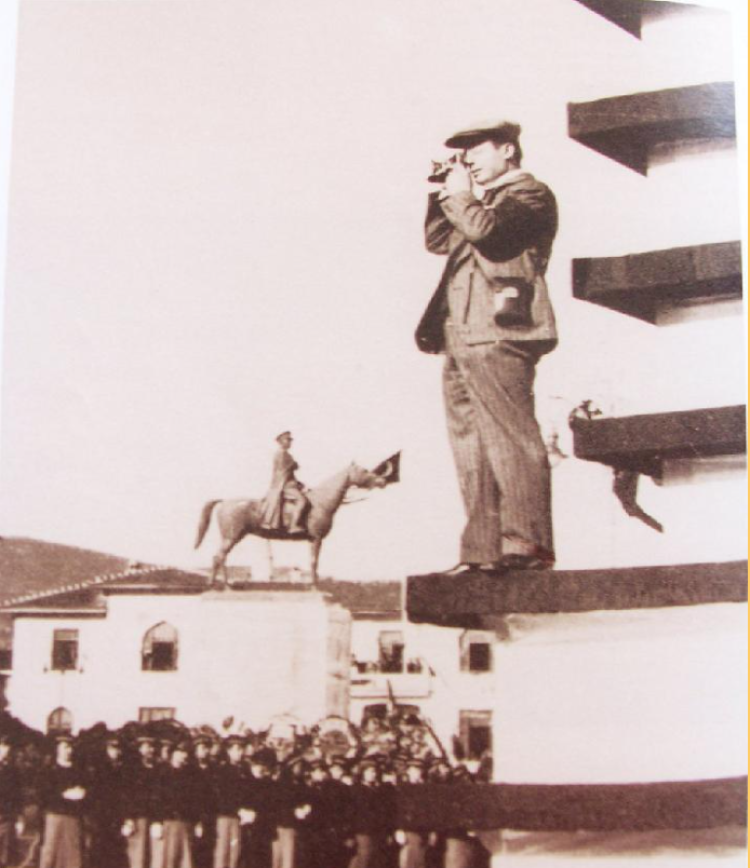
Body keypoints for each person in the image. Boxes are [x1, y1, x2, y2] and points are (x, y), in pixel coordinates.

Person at [416, 120, 558, 575]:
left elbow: (488, 234)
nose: (469, 161)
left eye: (476, 151)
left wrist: (461, 194)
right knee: (472, 446)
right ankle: (482, 552)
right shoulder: (479, 203)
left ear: (509, 150)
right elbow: (439, 241)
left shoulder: (529, 195)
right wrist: (445, 191)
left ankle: (527, 543)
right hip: (460, 333)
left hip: (501, 330)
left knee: (510, 437)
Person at [38, 734, 89, 868]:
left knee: (73, 856)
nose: (69, 751)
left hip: (73, 817)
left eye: (70, 747)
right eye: (65, 747)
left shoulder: (78, 770)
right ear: (57, 749)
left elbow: (87, 792)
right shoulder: (49, 770)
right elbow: (44, 796)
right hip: (55, 817)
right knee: (51, 854)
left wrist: (82, 794)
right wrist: (64, 795)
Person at [259, 433, 310, 535]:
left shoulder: (285, 454)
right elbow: (284, 473)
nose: (290, 442)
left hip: (288, 484)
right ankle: (293, 526)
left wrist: (299, 484)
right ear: (281, 441)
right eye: (287, 440)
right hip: (285, 486)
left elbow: (289, 473)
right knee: (302, 500)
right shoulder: (282, 454)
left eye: (290, 440)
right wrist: (294, 467)